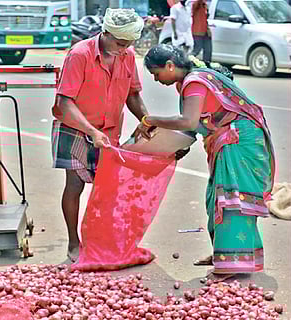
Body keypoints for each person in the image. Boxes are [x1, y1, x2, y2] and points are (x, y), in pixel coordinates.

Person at [141, 44, 276, 281]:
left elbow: (188, 121)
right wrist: (174, 149)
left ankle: (232, 264)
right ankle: (224, 255)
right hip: (225, 139)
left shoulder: (195, 82)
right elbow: (195, 127)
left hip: (238, 140)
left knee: (232, 200)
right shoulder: (186, 83)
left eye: (156, 73)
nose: (156, 79)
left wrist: (151, 120)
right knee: (215, 199)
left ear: (170, 66)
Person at [51, 8, 153, 262]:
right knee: (74, 185)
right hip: (75, 127)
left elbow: (132, 94)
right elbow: (65, 102)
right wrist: (91, 131)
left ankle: (99, 241)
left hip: (108, 132)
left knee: (106, 190)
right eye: (120, 43)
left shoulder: (127, 56)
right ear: (105, 33)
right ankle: (74, 243)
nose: (124, 48)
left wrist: (146, 119)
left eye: (129, 44)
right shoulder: (80, 55)